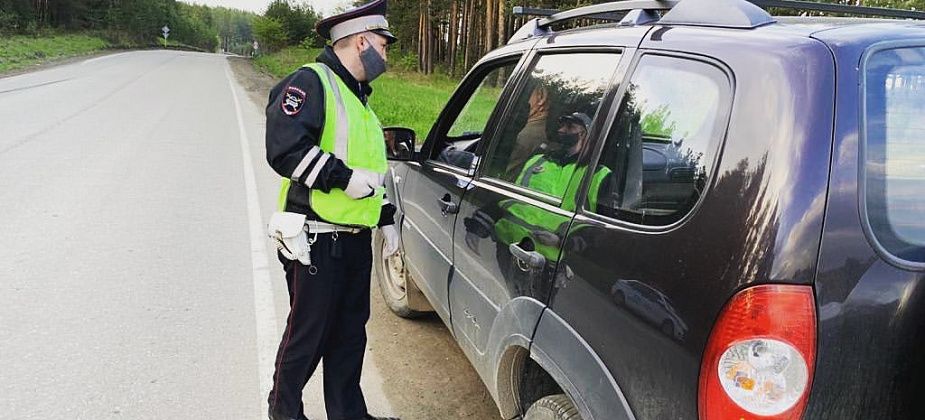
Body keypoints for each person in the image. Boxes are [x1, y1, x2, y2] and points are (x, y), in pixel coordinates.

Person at [263, 1, 400, 419]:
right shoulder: (311, 82)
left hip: (354, 242)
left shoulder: (359, 98)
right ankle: (283, 413)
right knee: (307, 338)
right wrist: (342, 178)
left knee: (347, 339)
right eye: (383, 44)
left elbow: (370, 173)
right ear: (362, 41)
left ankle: (348, 414)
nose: (387, 54)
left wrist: (386, 219)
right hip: (317, 242)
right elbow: (285, 150)